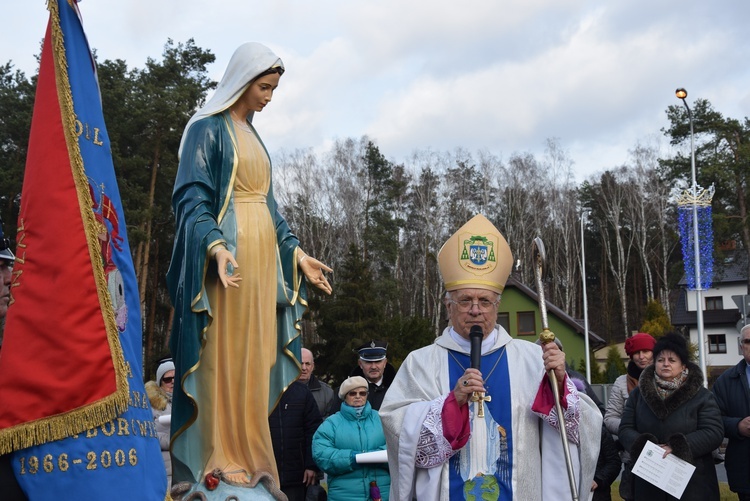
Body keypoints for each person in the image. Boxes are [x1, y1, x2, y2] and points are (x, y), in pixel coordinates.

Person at [166, 42, 333, 494]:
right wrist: (216, 248)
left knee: (256, 356)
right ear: (242, 81)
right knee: (225, 354)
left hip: (264, 265)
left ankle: (249, 452)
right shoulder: (208, 129)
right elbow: (191, 198)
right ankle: (218, 453)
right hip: (230, 263)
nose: (269, 97)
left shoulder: (253, 135)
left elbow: (271, 208)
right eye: (264, 87)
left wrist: (297, 254)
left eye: (274, 89)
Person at [379, 214, 601, 500]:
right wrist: (451, 404)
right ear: (449, 306)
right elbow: (397, 430)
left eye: (484, 301)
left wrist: (559, 385)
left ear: (496, 306)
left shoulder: (532, 358)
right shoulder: (421, 363)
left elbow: (585, 424)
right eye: (465, 301)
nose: (475, 310)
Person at [618, 332, 724, 501]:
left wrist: (677, 445)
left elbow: (714, 432)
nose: (665, 364)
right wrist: (646, 445)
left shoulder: (701, 395)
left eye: (672, 360)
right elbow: (625, 429)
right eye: (660, 360)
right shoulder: (638, 394)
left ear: (683, 365)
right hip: (649, 477)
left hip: (692, 483)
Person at [312, 376, 390, 501]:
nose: (358, 396)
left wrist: (375, 456)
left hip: (381, 492)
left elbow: (396, 446)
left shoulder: (381, 419)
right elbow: (321, 455)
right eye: (353, 393)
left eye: (362, 393)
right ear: (344, 396)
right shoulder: (331, 423)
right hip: (343, 495)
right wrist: (352, 458)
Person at [603, 331, 655, 500]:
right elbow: (610, 418)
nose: (641, 356)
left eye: (646, 351)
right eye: (636, 353)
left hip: (663, 453)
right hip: (632, 455)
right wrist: (631, 431)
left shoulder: (666, 377)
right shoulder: (621, 382)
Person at [712, 324, 750, 500]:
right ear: (741, 346)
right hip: (745, 468)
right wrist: (737, 426)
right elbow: (713, 419)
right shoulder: (725, 381)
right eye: (748, 341)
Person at [269, 380, 323, 501]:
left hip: (296, 476)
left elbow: (313, 430)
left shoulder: (301, 392)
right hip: (264, 474)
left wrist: (311, 465)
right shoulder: (256, 389)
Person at [146, 358, 175, 489]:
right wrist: (172, 440)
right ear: (160, 382)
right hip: (164, 466)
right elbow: (146, 433)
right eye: (167, 379)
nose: (172, 381)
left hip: (187, 462)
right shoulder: (151, 405)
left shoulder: (189, 401)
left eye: (175, 377)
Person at [300, 347, 336, 418]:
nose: (304, 368)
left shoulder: (327, 393)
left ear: (312, 366)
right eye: (300, 363)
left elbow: (330, 421)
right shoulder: (282, 390)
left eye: (307, 364)